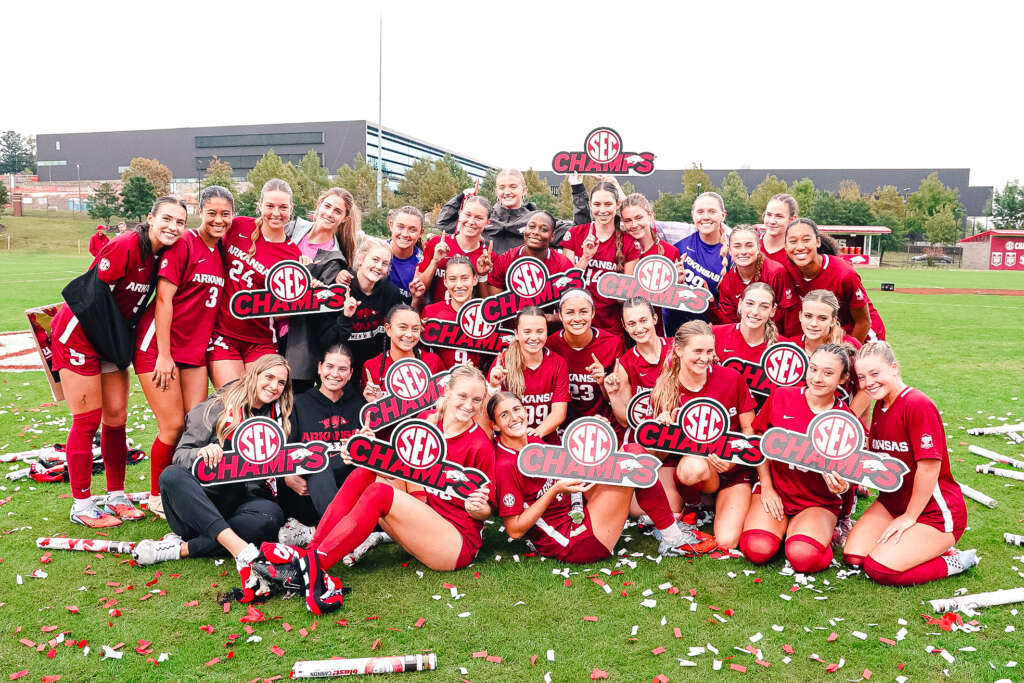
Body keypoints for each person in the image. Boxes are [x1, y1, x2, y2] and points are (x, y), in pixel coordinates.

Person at [277, 365, 494, 609]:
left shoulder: (479, 445)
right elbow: (395, 468)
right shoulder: (426, 422)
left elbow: (486, 511)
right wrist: (364, 453)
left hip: (454, 542)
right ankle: (312, 553)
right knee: (365, 473)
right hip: (426, 517)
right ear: (447, 391)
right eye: (463, 396)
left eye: (477, 400)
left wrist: (478, 508)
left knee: (380, 493)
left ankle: (309, 569)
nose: (469, 405)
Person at [51, 196, 186, 527]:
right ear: (150, 218)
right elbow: (93, 298)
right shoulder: (127, 244)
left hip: (109, 337)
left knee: (116, 417)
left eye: (180, 222)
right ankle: (82, 505)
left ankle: (116, 495)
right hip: (81, 333)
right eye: (167, 218)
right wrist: (117, 343)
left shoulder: (162, 255)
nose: (173, 227)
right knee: (87, 419)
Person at [132, 356, 305, 605]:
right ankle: (240, 549)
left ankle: (179, 549)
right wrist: (201, 453)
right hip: (199, 504)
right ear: (253, 375)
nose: (274, 386)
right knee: (171, 476)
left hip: (238, 503)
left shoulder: (279, 415)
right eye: (269, 377)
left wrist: (287, 470)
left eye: (281, 382)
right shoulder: (217, 406)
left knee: (271, 517)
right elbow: (180, 457)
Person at [490, 392, 711, 560]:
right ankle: (673, 538)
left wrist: (596, 432)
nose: (514, 417)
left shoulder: (533, 440)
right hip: (573, 542)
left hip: (576, 509)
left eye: (516, 409)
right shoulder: (505, 464)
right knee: (633, 462)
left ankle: (670, 533)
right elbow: (514, 530)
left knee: (633, 453)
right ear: (495, 425)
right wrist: (555, 490)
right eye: (504, 415)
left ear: (525, 410)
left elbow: (577, 467)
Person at [842, 342, 977, 586]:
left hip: (934, 512)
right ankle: (915, 547)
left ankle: (954, 561)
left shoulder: (917, 404)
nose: (868, 382)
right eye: (862, 377)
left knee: (879, 569)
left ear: (894, 368)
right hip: (892, 503)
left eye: (875, 373)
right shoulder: (881, 405)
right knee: (854, 556)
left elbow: (929, 467)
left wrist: (909, 517)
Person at [134, 186, 231, 518]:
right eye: (212, 212)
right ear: (200, 212)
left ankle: (188, 487)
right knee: (173, 425)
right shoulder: (184, 243)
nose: (218, 220)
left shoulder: (220, 250)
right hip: (159, 347)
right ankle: (156, 495)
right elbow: (164, 300)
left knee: (199, 425)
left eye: (225, 214)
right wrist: (164, 355)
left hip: (194, 350)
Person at [739, 345, 857, 572]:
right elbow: (760, 442)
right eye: (813, 369)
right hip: (777, 489)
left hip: (817, 500)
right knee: (757, 549)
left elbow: (851, 474)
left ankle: (812, 534)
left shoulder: (846, 420)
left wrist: (843, 485)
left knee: (802, 556)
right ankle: (787, 530)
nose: (817, 378)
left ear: (843, 378)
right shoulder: (782, 396)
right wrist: (766, 486)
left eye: (828, 373)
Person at [647, 321, 757, 549]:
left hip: (730, 469)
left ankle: (711, 502)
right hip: (692, 471)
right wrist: (665, 432)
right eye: (698, 351)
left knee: (727, 541)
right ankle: (694, 503)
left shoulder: (731, 378)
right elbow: (656, 457)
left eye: (709, 351)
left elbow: (749, 429)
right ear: (678, 350)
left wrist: (733, 459)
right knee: (692, 467)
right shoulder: (666, 387)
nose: (705, 358)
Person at [208, 178, 302, 389]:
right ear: (259, 205)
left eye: (283, 207)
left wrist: (302, 291)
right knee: (232, 400)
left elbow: (283, 312)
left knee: (259, 400)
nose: (276, 213)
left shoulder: (293, 254)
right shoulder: (238, 226)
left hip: (261, 339)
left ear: (291, 209)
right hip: (224, 333)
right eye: (270, 206)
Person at [277, 344, 366, 539]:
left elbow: (366, 455)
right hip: (307, 492)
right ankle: (346, 535)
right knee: (318, 464)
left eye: (342, 369)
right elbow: (285, 451)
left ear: (351, 374)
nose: (335, 374)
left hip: (347, 487)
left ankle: (338, 533)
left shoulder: (360, 405)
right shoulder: (298, 404)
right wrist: (288, 475)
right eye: (329, 366)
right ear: (319, 367)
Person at [281, 188, 364, 394]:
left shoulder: (335, 261)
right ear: (318, 205)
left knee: (292, 403)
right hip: (264, 327)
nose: (329, 213)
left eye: (337, 211)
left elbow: (322, 308)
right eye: (327, 206)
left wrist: (314, 284)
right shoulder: (291, 229)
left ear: (344, 219)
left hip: (297, 343)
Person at [782, 218, 885, 343]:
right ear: (785, 246)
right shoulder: (786, 270)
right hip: (830, 333)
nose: (799, 247)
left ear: (818, 242)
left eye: (806, 240)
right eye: (793, 241)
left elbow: (863, 321)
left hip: (863, 333)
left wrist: (848, 350)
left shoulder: (844, 274)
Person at [437, 169, 584, 254]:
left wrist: (578, 189)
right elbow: (444, 223)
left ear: (524, 190)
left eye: (513, 187)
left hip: (524, 288)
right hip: (486, 287)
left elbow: (579, 232)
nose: (507, 192)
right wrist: (461, 197)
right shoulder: (484, 218)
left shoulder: (539, 219)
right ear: (496, 192)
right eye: (502, 188)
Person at [561, 182, 640, 334]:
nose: (602, 210)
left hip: (611, 328)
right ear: (590, 205)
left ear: (617, 204)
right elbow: (566, 285)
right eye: (597, 204)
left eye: (608, 204)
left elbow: (626, 298)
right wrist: (585, 258)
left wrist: (617, 290)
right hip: (576, 323)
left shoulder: (630, 243)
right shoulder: (575, 234)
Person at [321, 238, 406, 377]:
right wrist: (346, 317)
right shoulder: (340, 289)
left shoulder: (390, 292)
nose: (379, 266)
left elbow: (394, 336)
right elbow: (326, 342)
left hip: (374, 369)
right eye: (375, 260)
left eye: (385, 263)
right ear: (361, 259)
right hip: (341, 370)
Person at [545, 289, 625, 431]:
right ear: (560, 315)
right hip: (563, 428)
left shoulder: (612, 343)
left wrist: (603, 382)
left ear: (593, 313)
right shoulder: (550, 344)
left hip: (604, 424)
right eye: (570, 312)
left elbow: (619, 398)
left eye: (583, 312)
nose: (577, 318)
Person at [486, 307, 568, 444]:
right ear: (517, 334)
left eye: (540, 331)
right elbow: (489, 413)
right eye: (527, 332)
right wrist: (494, 386)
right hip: (510, 440)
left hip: (545, 438)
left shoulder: (558, 363)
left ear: (547, 333)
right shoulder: (503, 362)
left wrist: (536, 434)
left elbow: (559, 413)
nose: (534, 337)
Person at [666, 192, 731, 334]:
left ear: (723, 215)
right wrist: (673, 282)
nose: (705, 217)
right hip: (675, 329)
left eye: (712, 211)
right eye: (700, 212)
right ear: (693, 215)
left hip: (708, 332)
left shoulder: (732, 252)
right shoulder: (679, 243)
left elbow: (729, 307)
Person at [715, 226, 799, 334]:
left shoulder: (775, 272)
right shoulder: (728, 281)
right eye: (737, 246)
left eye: (749, 246)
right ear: (730, 250)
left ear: (758, 248)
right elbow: (729, 322)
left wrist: (786, 342)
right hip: (746, 337)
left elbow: (790, 316)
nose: (743, 251)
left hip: (776, 337)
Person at [422, 255, 496, 370]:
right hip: (441, 378)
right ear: (445, 282)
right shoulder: (431, 312)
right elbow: (422, 353)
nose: (459, 285)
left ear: (474, 279)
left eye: (465, 278)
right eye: (452, 279)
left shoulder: (487, 315)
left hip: (477, 378)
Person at [415, 196, 493, 304]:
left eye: (478, 218)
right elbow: (419, 288)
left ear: (488, 222)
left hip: (467, 313)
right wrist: (435, 261)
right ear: (460, 214)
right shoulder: (437, 243)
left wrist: (482, 276)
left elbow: (488, 303)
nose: (471, 221)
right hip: (435, 312)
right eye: (467, 215)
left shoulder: (488, 257)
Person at [361, 304, 445, 399]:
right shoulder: (371, 366)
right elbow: (368, 404)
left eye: (415, 329)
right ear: (388, 329)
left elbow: (445, 399)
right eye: (403, 327)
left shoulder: (433, 361)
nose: (409, 334)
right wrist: (376, 402)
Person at [485, 210, 573, 298]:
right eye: (531, 227)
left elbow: (570, 300)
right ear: (525, 230)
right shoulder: (505, 259)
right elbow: (493, 301)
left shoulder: (563, 264)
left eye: (544, 230)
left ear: (552, 236)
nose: (535, 232)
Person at [712, 282, 780, 367]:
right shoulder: (714, 334)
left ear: (773, 311)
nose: (755, 312)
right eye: (750, 304)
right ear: (740, 304)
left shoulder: (784, 348)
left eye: (764, 306)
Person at [620, 193, 680, 268]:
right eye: (628, 221)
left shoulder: (670, 252)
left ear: (650, 216)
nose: (634, 225)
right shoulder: (618, 251)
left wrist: (679, 275)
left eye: (639, 218)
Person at [386, 206, 426, 305]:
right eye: (400, 227)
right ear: (391, 225)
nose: (405, 234)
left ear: (421, 233)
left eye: (412, 230)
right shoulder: (375, 251)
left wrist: (417, 298)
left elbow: (420, 306)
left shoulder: (423, 263)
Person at [759, 194, 799, 266]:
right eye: (769, 215)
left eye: (779, 216)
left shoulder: (796, 253)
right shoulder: (749, 243)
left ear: (792, 219)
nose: (772, 221)